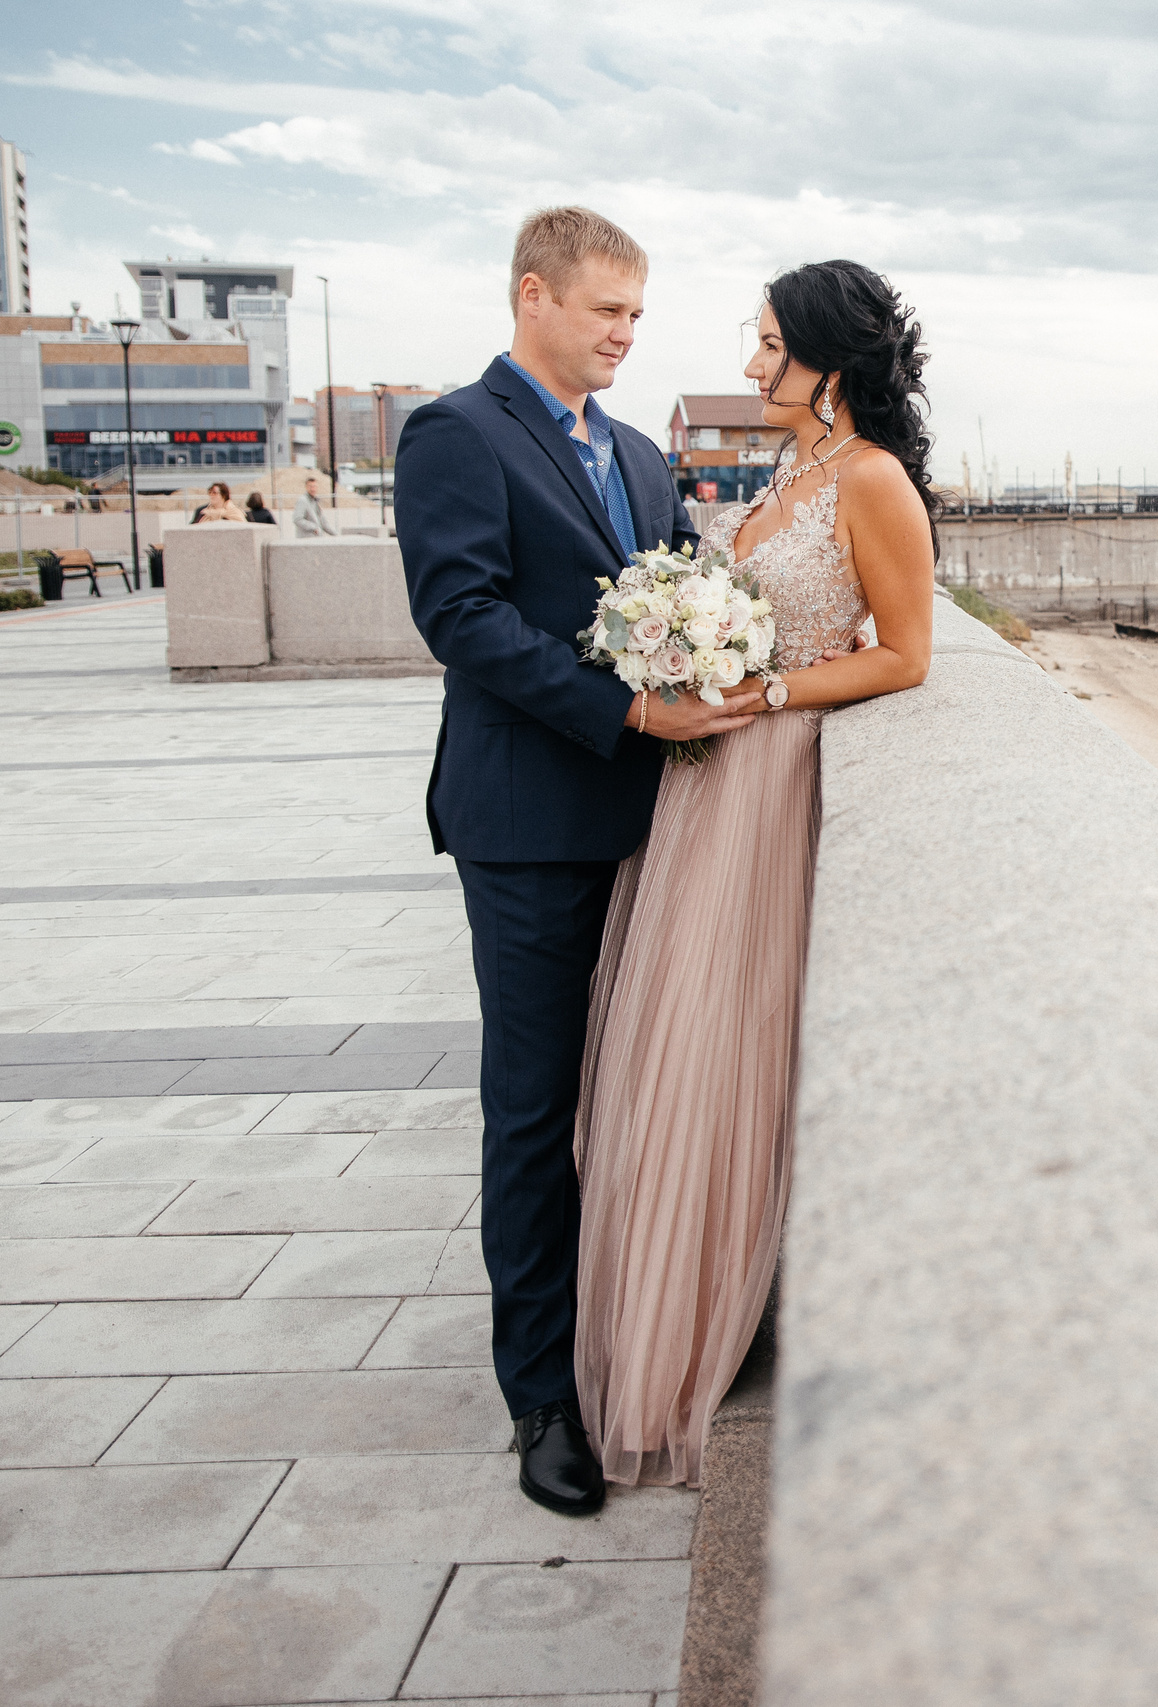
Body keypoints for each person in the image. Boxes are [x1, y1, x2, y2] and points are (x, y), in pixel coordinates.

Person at [398, 206, 751, 1517]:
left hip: (658, 820)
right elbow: (462, 614)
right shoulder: (454, 432)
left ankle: (634, 1333)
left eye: (637, 315)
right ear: (532, 296)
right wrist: (629, 710)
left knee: (645, 1087)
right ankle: (541, 1394)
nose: (624, 334)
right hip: (528, 825)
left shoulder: (643, 456)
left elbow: (682, 589)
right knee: (536, 1107)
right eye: (607, 310)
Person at [573, 259, 935, 1488]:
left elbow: (905, 656)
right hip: (706, 781)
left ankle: (700, 1325)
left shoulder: (871, 481)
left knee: (729, 1034)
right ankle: (656, 1316)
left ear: (830, 362)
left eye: (770, 345)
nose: (750, 365)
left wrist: (763, 691)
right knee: (672, 1032)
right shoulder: (790, 473)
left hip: (769, 776)